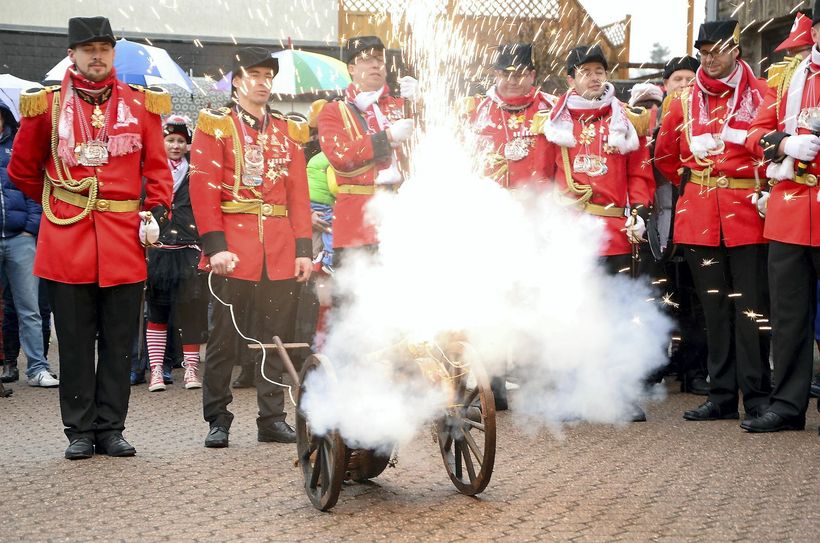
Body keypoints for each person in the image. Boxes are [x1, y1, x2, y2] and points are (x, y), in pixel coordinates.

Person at [7, 16, 172, 459]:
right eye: (88, 49)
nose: (97, 56)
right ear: (71, 55)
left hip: (122, 242)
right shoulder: (47, 105)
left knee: (119, 343)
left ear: (112, 54)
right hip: (67, 240)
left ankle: (112, 427)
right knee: (76, 343)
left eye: (104, 48)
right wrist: (59, 199)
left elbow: (157, 169)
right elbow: (21, 170)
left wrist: (154, 210)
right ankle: (79, 430)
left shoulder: (141, 105)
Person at [189, 47, 312, 448]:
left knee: (274, 339)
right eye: (254, 75)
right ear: (237, 81)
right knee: (224, 338)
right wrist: (215, 247)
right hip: (233, 250)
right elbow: (203, 191)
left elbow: (299, 197)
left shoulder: (287, 130)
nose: (262, 82)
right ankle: (218, 418)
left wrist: (303, 249)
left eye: (267, 75)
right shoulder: (216, 126)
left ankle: (271, 417)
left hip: (277, 249)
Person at [654, 20, 771, 423]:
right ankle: (721, 395)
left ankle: (756, 396)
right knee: (714, 309)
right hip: (700, 214)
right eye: (705, 51)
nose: (711, 57)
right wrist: (700, 183)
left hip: (747, 213)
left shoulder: (764, 94)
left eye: (719, 49)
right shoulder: (680, 101)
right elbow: (666, 157)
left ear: (736, 50)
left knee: (752, 308)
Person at [540, 44, 654, 422]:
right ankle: (572, 393)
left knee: (616, 314)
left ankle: (618, 393)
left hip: (613, 231)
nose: (594, 77)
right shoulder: (554, 122)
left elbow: (640, 173)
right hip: (569, 231)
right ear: (570, 79)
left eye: (599, 71)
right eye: (585, 71)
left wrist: (638, 211)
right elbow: (541, 178)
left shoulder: (628, 120)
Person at [741, 1, 820, 432]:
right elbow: (755, 132)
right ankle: (788, 405)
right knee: (788, 316)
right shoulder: (787, 75)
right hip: (790, 212)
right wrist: (784, 144)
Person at [465, 42, 555, 410]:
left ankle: (535, 382)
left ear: (532, 74)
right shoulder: (476, 112)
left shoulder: (552, 109)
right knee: (491, 301)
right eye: (506, 73)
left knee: (533, 301)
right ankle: (494, 383)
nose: (514, 80)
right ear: (495, 75)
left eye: (521, 73)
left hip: (536, 217)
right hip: (490, 220)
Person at [317, 35, 416, 268]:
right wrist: (387, 137)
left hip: (400, 214)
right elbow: (340, 156)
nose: (375, 64)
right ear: (351, 68)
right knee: (353, 298)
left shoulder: (402, 105)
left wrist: (420, 104)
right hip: (356, 218)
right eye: (367, 59)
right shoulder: (333, 110)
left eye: (379, 59)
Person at [652, 56, 710, 396]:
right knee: (658, 298)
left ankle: (695, 369)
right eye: (678, 79)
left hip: (693, 220)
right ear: (665, 86)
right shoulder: (647, 121)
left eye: (691, 78)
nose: (685, 85)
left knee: (696, 301)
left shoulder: (704, 119)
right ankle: (655, 364)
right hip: (658, 224)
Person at [144, 115, 208, 392]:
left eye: (181, 141)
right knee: (157, 312)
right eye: (170, 140)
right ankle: (157, 370)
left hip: (188, 250)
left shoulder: (198, 172)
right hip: (158, 252)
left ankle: (190, 369)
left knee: (191, 312)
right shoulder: (150, 170)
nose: (176, 145)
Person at [0, 102, 57, 388]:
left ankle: (37, 368)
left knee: (30, 307)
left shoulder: (18, 145)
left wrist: (29, 229)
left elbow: (35, 186)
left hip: (19, 239)